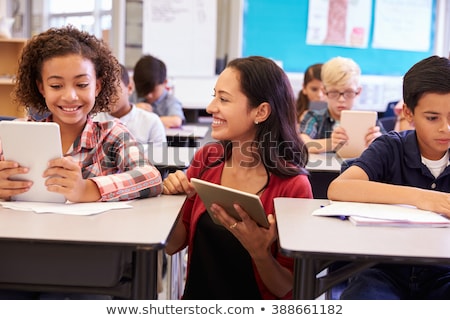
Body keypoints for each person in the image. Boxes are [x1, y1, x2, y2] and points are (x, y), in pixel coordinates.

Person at [0, 26, 163, 299]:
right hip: (22, 256)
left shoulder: (111, 133)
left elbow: (150, 177)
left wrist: (89, 189)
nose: (70, 96)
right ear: (40, 87)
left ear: (97, 85)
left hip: (87, 263)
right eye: (55, 85)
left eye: (82, 84)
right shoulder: (19, 133)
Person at [162, 56, 313, 299]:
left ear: (261, 111)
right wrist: (173, 202)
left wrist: (260, 252)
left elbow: (286, 287)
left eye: (223, 99)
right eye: (215, 96)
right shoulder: (208, 158)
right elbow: (172, 245)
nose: (211, 107)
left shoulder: (293, 186)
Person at [327, 55, 450, 299]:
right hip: (382, 271)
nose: (445, 128)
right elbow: (339, 188)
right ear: (409, 112)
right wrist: (423, 198)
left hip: (443, 275)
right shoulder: (391, 147)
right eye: (432, 118)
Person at [299, 56, 383, 154]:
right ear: (324, 91)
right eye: (334, 93)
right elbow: (302, 142)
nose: (341, 99)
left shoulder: (370, 121)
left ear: (358, 92)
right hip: (322, 168)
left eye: (349, 92)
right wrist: (331, 143)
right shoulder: (314, 117)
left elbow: (389, 149)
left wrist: (378, 142)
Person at [93, 63, 167, 146]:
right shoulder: (92, 121)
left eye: (113, 90)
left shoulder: (151, 122)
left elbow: (160, 157)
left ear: (130, 88)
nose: (107, 96)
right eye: (102, 91)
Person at [133, 54, 185, 128]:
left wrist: (143, 118)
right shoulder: (133, 95)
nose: (149, 95)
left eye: (153, 90)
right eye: (144, 90)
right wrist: (133, 109)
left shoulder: (170, 101)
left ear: (165, 82)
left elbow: (176, 121)